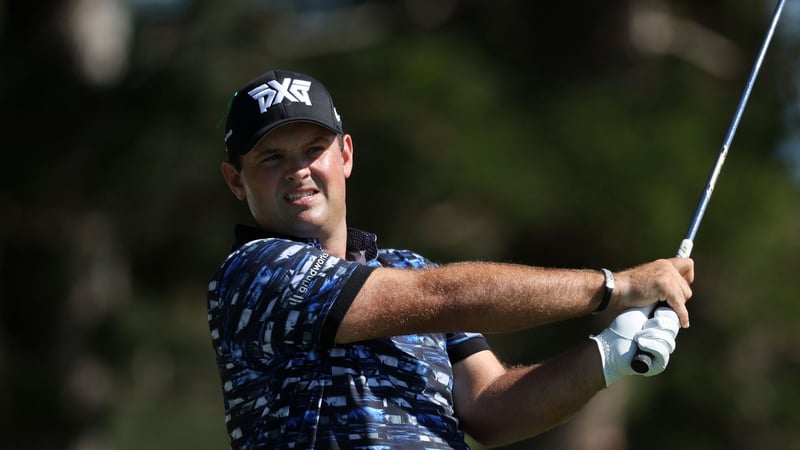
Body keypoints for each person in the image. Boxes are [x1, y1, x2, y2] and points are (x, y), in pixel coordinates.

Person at [208, 69, 695, 449]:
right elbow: (445, 297)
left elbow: (490, 408)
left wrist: (609, 354)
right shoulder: (253, 273)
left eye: (314, 149)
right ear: (236, 181)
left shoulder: (409, 267)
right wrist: (613, 287)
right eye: (272, 158)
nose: (299, 171)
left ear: (346, 156)